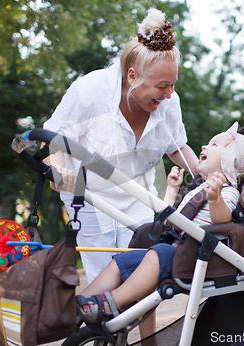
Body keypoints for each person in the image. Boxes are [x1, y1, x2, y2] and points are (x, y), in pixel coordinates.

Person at [43, 8, 198, 285]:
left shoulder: (168, 102)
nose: (169, 94)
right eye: (162, 85)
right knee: (104, 274)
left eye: (173, 85)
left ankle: (145, 330)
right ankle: (104, 325)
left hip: (138, 191)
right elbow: (55, 138)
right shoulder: (91, 92)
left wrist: (205, 176)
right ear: (132, 76)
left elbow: (177, 148)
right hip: (89, 194)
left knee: (143, 269)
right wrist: (58, 170)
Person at [75, 122, 244, 330]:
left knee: (158, 252)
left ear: (229, 160)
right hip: (175, 250)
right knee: (123, 259)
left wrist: (215, 199)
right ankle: (80, 305)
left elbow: (223, 222)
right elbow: (171, 217)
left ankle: (112, 303)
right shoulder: (198, 189)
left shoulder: (227, 192)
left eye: (214, 145)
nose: (204, 147)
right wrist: (172, 190)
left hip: (197, 257)